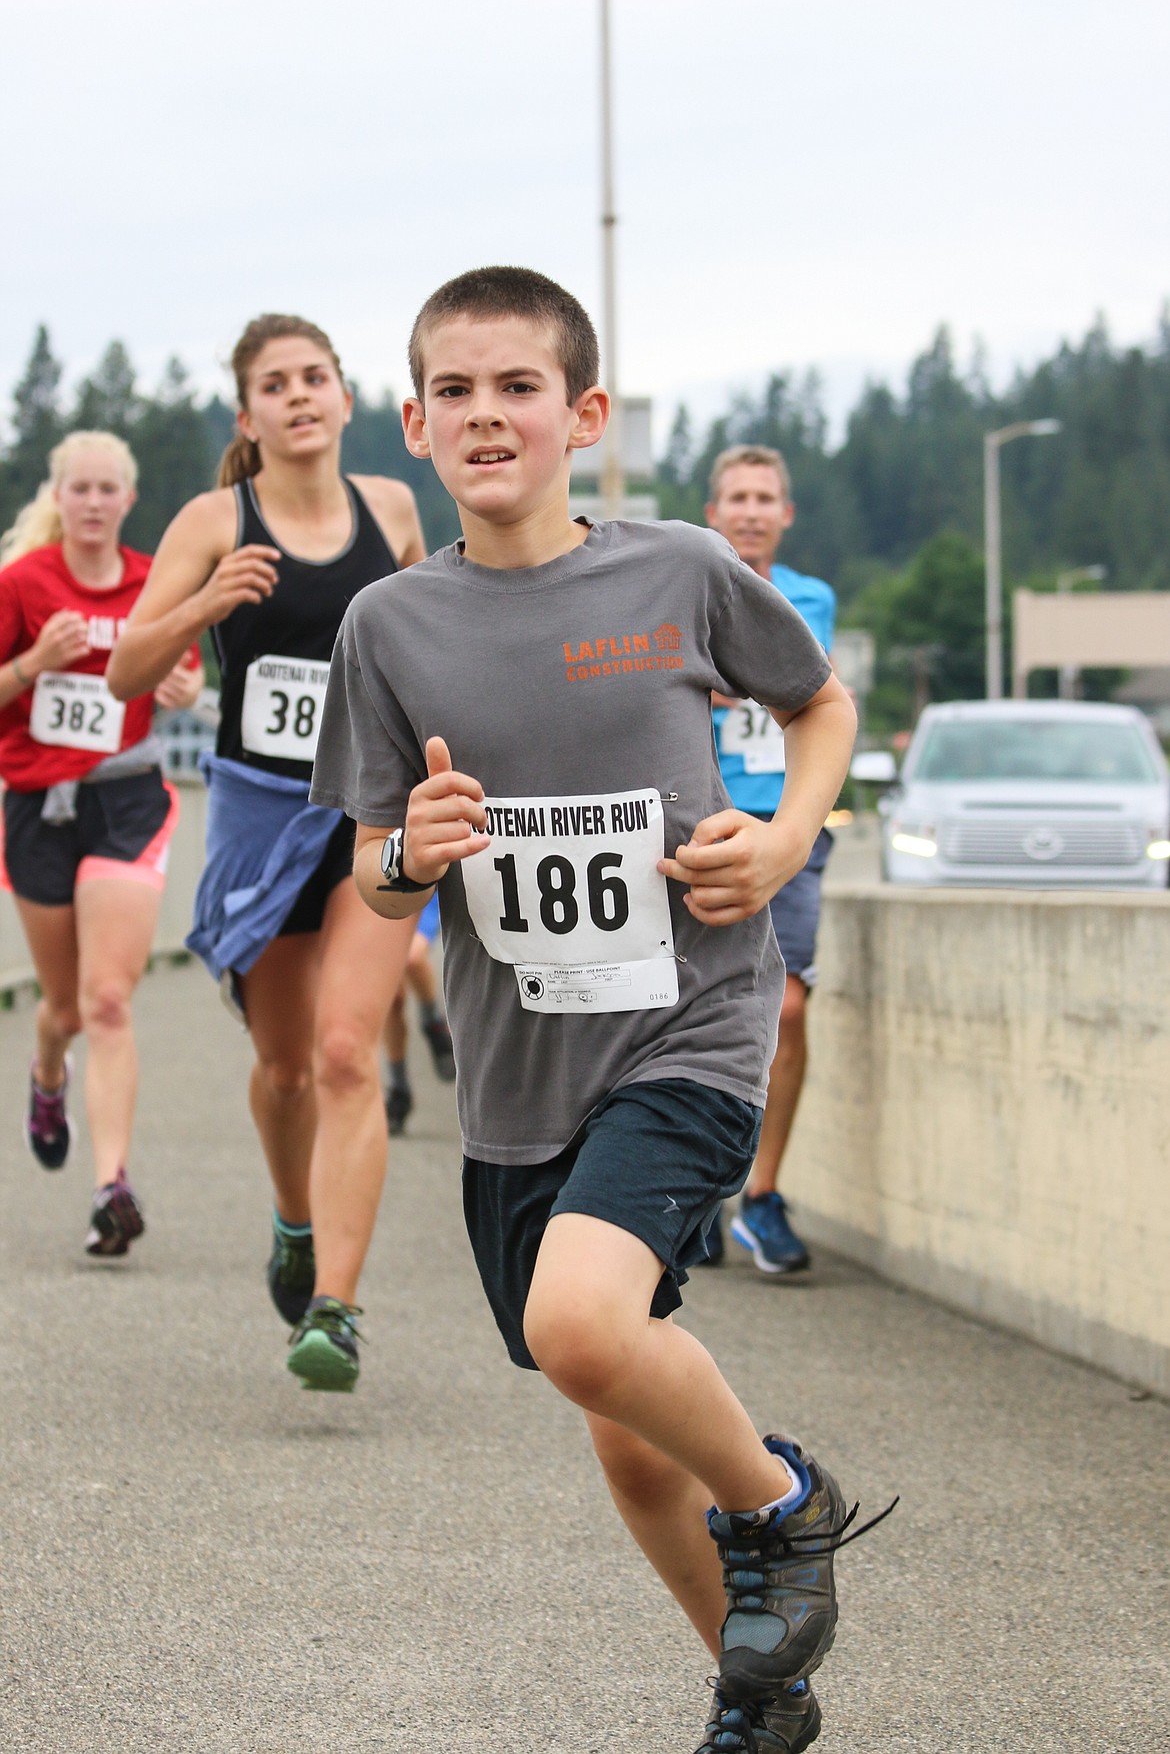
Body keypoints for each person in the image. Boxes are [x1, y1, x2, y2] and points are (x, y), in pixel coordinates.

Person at [311, 268, 887, 1750]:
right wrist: (406, 850)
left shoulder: (679, 570)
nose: (485, 414)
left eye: (517, 387)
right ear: (415, 421)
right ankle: (763, 1693)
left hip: (686, 1027)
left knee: (582, 1325)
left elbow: (821, 707)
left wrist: (779, 839)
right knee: (627, 1441)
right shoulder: (388, 623)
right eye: (455, 389)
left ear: (583, 414)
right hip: (518, 1077)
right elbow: (375, 877)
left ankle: (785, 1499)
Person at [106, 314, 422, 1392]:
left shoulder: (391, 510)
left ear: (344, 398)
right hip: (256, 812)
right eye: (276, 384)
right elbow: (125, 674)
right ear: (250, 415)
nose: (299, 395)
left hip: (369, 813)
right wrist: (204, 601)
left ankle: (334, 1305)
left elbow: (439, 631)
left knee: (345, 1053)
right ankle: (294, 1221)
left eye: (316, 377)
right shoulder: (215, 518)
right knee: (285, 1067)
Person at [0, 431, 202, 1255]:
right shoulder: (22, 583)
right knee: (64, 1007)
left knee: (109, 998)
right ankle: (49, 1067)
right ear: (60, 495)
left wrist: (182, 685)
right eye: (76, 488)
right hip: (35, 803)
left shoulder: (155, 579)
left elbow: (180, 674)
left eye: (105, 489)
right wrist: (30, 666)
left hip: (126, 798)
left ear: (127, 498)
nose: (90, 502)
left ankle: (110, 1186)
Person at [702, 444, 838, 1275]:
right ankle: (696, 1193)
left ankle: (762, 1196)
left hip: (789, 821)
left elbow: (798, 680)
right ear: (712, 512)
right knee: (687, 1016)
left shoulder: (810, 597)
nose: (750, 510)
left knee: (786, 1008)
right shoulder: (685, 584)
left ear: (785, 514)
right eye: (736, 498)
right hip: (703, 820)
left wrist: (723, 675)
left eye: (765, 498)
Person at [382, 891, 456, 1136]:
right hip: (377, 888)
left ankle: (432, 1024)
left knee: (413, 958)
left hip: (421, 885)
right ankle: (399, 1090)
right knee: (391, 998)